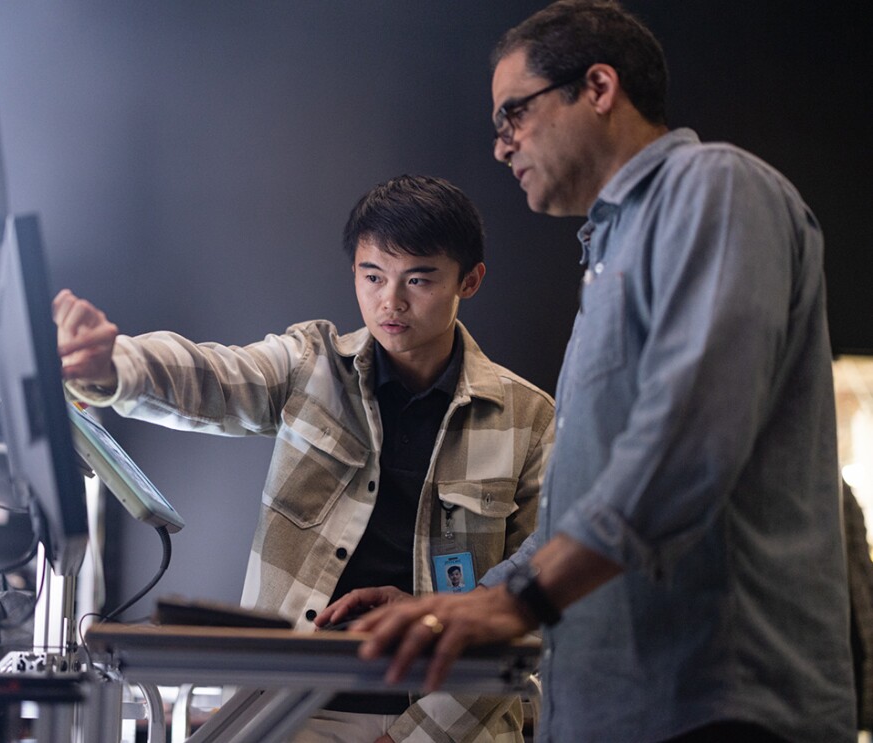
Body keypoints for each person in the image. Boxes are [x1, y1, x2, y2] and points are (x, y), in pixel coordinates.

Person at [345, 3, 858, 741]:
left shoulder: (713, 187)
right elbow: (578, 506)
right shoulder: (609, 250)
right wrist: (453, 602)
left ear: (597, 87)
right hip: (613, 710)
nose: (501, 146)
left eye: (513, 114)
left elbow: (689, 441)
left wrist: (515, 600)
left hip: (717, 708)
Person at [54, 174, 555, 742]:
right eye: (373, 276)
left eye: (418, 279)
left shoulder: (529, 418)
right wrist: (114, 367)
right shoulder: (310, 365)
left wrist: (415, 737)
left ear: (470, 280)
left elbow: (539, 602)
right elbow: (214, 375)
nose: (390, 301)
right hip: (290, 709)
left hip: (453, 719)